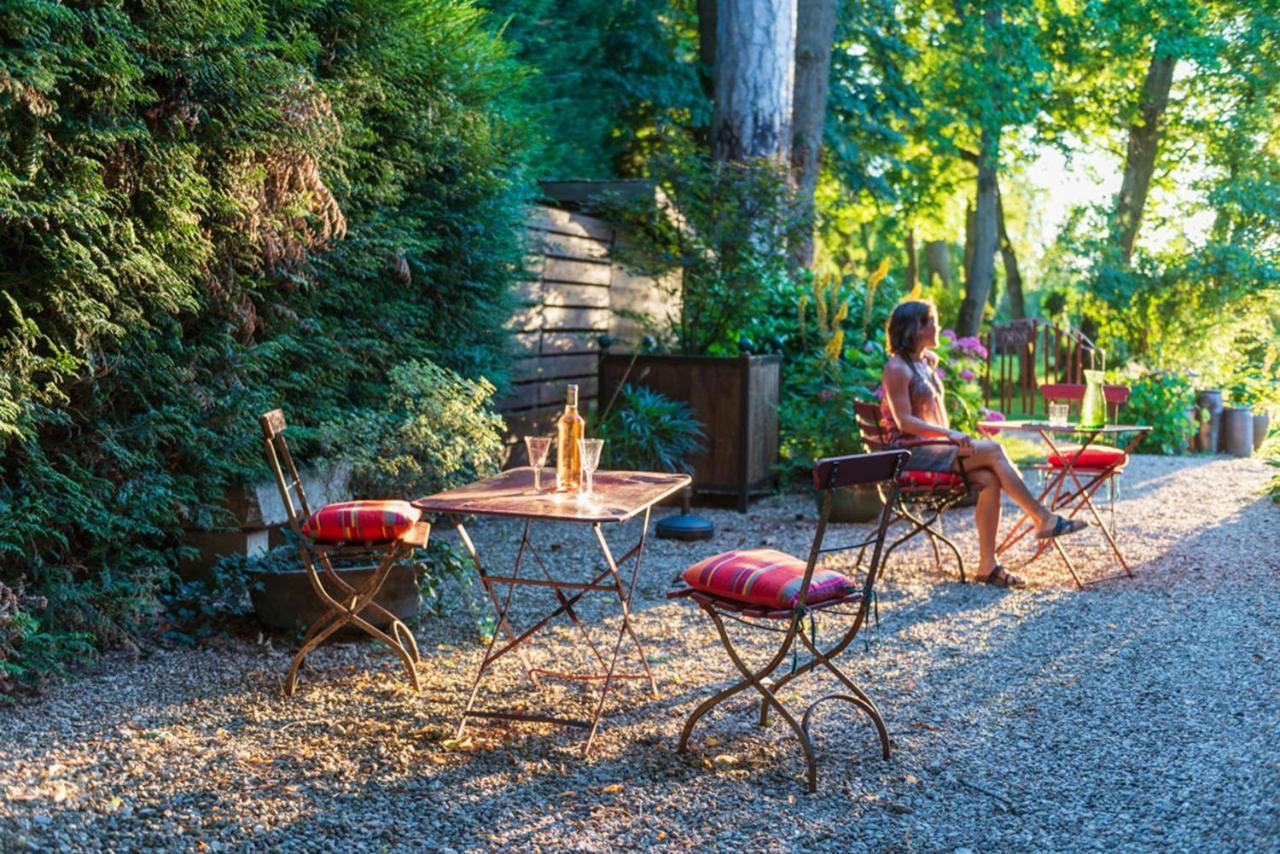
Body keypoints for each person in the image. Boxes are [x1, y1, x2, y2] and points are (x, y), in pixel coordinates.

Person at [879, 300, 1085, 588]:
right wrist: (949, 436)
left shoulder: (924, 363)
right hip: (910, 454)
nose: (938, 327)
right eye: (933, 322)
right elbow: (904, 422)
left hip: (935, 447)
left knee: (989, 479)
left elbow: (932, 415)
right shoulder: (897, 368)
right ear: (916, 327)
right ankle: (1042, 518)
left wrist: (949, 438)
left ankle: (988, 565)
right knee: (994, 450)